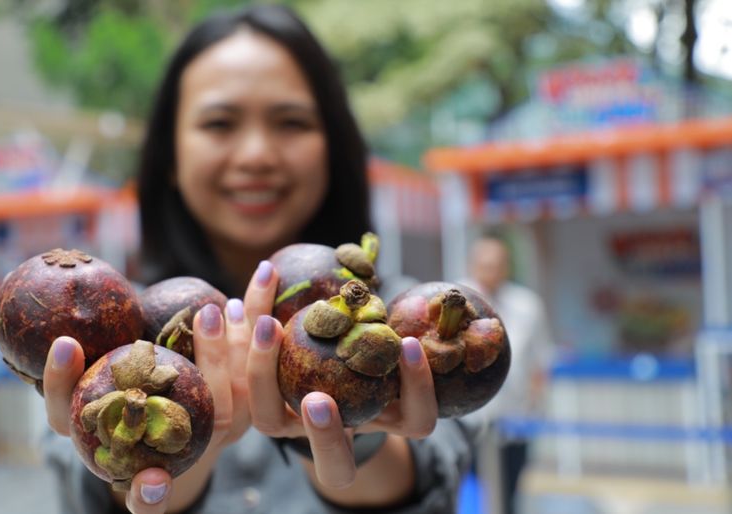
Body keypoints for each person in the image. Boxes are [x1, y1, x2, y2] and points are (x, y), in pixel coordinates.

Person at [41, 5, 476, 513]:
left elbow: (434, 472)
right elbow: (85, 491)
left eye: (290, 122)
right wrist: (160, 459)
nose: (256, 154)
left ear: (333, 149)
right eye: (220, 123)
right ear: (171, 159)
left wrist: (357, 430)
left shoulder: (412, 324)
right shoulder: (102, 334)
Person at [462, 232, 554, 514]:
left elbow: (540, 360)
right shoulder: (452, 300)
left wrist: (533, 406)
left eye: (497, 264)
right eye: (484, 264)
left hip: (514, 422)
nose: (490, 271)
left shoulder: (527, 305)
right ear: (472, 265)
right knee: (468, 496)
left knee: (509, 496)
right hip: (468, 423)